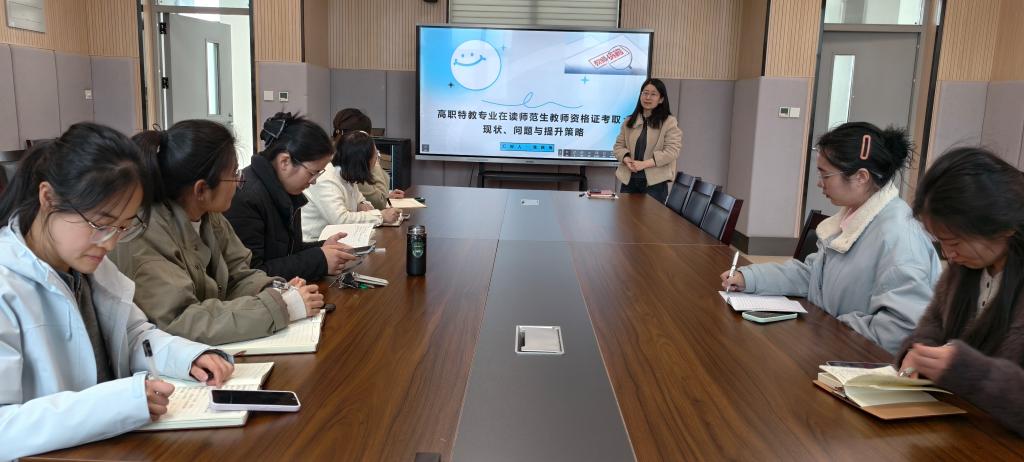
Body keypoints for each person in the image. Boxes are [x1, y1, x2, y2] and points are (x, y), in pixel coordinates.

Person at [0, 123, 234, 460]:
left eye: (123, 227)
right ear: (48, 198)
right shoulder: (8, 284)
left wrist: (188, 357)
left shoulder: (88, 265)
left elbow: (134, 335)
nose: (110, 243)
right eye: (100, 224)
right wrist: (119, 403)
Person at [721, 122, 941, 354]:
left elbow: (900, 329)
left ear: (861, 177)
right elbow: (812, 275)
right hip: (834, 349)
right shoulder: (854, 215)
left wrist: (830, 330)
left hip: (861, 360)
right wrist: (750, 278)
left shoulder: (898, 237)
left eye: (825, 174)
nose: (819, 182)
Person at [110, 119, 324, 346]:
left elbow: (238, 276)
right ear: (201, 189)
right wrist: (280, 308)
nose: (239, 182)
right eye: (233, 174)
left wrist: (277, 291)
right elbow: (181, 321)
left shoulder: (209, 216)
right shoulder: (143, 236)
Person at [897, 147, 1024, 436]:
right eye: (941, 241)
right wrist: (919, 353)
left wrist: (973, 373)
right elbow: (933, 325)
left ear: (1005, 228)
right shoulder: (965, 267)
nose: (948, 255)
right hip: (957, 432)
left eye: (955, 242)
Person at [224, 112, 356, 281]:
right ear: (285, 162)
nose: (314, 181)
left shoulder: (286, 189)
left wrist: (323, 247)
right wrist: (320, 260)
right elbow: (252, 274)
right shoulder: (247, 197)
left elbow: (287, 252)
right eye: (313, 173)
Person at [302, 130, 402, 240]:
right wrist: (381, 216)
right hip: (315, 242)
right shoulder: (327, 179)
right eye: (376, 155)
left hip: (337, 238)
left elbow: (361, 200)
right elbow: (341, 220)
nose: (377, 159)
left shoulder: (347, 173)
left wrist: (361, 204)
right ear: (363, 161)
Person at [612, 78, 683, 203]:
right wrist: (626, 159)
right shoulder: (629, 121)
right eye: (645, 93)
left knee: (652, 216)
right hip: (629, 181)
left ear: (661, 99)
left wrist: (644, 164)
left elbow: (672, 151)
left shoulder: (669, 122)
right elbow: (618, 147)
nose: (648, 97)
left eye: (653, 94)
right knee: (626, 216)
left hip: (655, 183)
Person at [332, 108, 405, 210]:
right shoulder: (351, 164)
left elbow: (369, 198)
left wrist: (386, 195)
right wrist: (374, 159)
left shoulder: (336, 155)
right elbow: (379, 202)